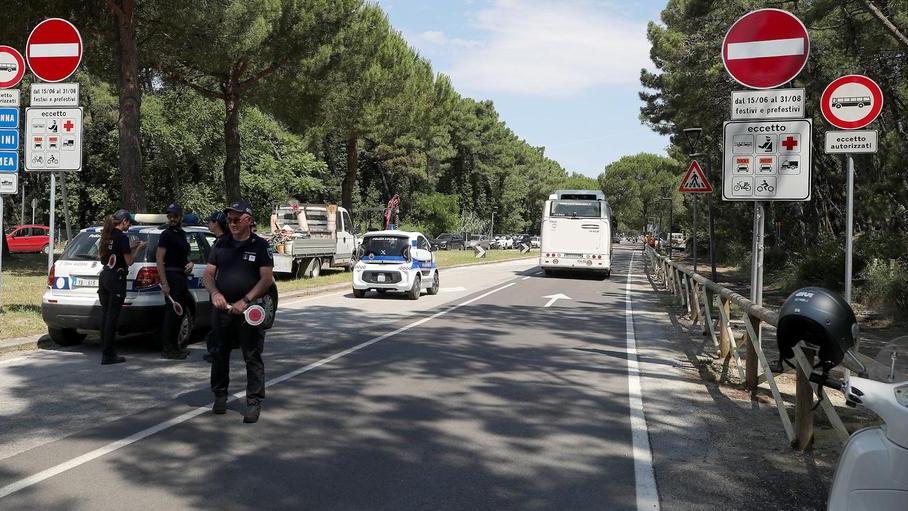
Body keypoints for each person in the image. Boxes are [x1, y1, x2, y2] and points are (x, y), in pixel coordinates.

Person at [204, 200, 274, 423]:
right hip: (222, 309)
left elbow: (266, 279)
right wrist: (214, 292)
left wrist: (246, 300)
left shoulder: (260, 245)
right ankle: (220, 395)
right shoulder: (221, 244)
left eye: (236, 219)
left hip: (249, 310)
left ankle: (253, 401)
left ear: (248, 220)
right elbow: (207, 275)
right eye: (229, 219)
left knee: (252, 355)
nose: (231, 223)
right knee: (218, 353)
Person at [97, 209, 147, 365]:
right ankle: (109, 354)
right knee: (112, 317)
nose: (129, 225)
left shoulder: (107, 236)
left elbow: (110, 255)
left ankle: (105, 347)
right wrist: (139, 248)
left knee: (105, 315)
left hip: (105, 276)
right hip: (116, 279)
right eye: (129, 222)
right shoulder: (122, 238)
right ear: (124, 221)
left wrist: (130, 247)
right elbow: (129, 262)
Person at [155, 203, 193, 359]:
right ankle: (167, 348)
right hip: (171, 276)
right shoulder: (166, 235)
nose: (171, 219)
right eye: (169, 216)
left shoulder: (182, 234)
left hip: (181, 276)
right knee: (172, 313)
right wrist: (164, 283)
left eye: (174, 216)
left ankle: (176, 346)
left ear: (180, 217)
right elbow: (159, 258)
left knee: (180, 313)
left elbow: (185, 256)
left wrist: (191, 263)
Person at [202, 211, 228, 363]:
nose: (208, 224)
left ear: (216, 223)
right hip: (218, 287)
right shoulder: (221, 241)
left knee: (217, 321)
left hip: (219, 288)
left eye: (210, 221)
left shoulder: (222, 242)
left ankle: (216, 351)